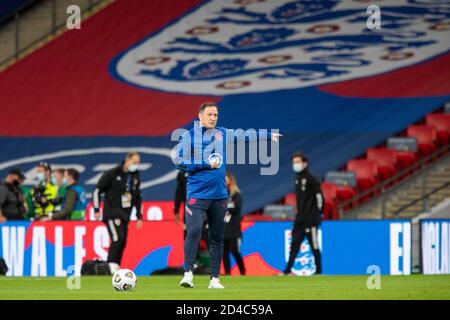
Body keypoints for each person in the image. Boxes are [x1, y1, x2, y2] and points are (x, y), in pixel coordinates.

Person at [176, 101, 280, 289]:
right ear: (200, 116)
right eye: (209, 114)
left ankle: (214, 279)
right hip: (197, 196)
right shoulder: (189, 136)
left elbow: (245, 136)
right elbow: (180, 163)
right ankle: (188, 274)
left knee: (217, 237)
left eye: (215, 115)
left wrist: (267, 135)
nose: (213, 118)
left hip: (219, 196)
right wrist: (206, 164)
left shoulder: (221, 133)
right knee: (193, 231)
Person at [92, 152, 143, 271]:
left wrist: (139, 216)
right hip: (112, 212)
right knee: (117, 239)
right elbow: (97, 191)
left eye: (137, 163)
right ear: (127, 160)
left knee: (122, 240)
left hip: (125, 215)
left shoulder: (135, 176)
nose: (135, 165)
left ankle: (116, 267)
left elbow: (137, 197)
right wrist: (96, 209)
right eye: (134, 162)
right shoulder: (112, 173)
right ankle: (109, 267)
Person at [282, 152, 323, 275]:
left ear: (305, 163)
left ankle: (318, 271)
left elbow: (319, 198)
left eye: (298, 162)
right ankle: (287, 270)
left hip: (311, 220)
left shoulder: (312, 179)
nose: (296, 165)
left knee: (314, 245)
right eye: (294, 162)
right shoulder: (297, 179)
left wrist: (317, 214)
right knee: (294, 245)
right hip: (300, 219)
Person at [223, 172, 246, 276]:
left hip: (234, 229)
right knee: (224, 252)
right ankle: (227, 272)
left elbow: (237, 209)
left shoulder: (236, 195)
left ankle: (242, 271)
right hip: (223, 228)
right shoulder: (221, 194)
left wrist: (225, 207)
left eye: (226, 179)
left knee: (235, 251)